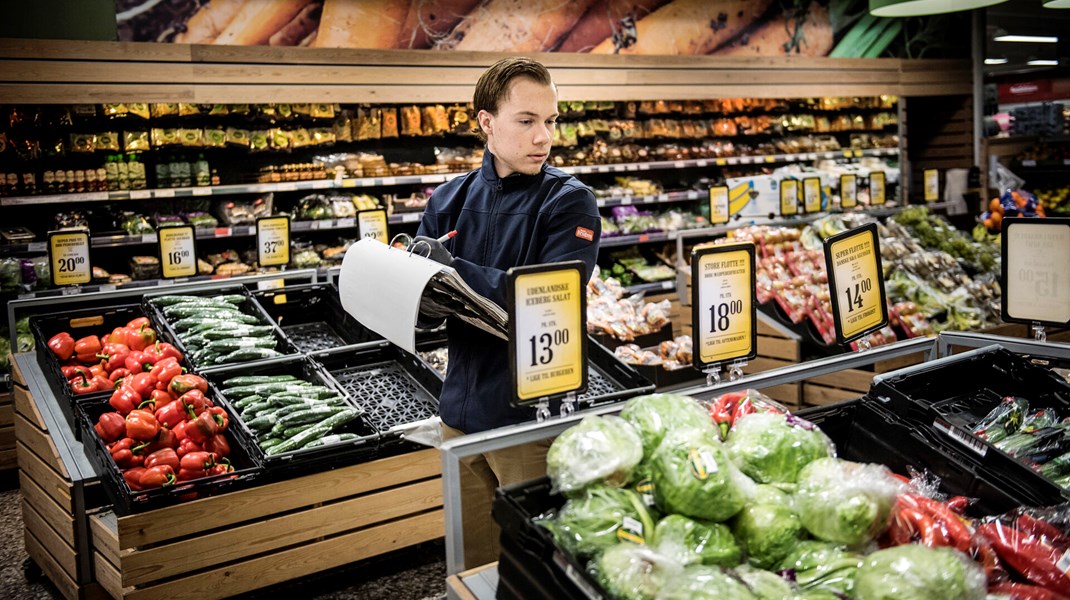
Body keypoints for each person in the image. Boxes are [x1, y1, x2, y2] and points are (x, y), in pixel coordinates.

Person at [413, 57, 601, 568]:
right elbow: (425, 316)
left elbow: (547, 298)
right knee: (472, 564)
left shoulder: (570, 202)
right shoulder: (447, 201)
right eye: (527, 121)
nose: (544, 137)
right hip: (458, 414)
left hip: (530, 419)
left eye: (551, 121)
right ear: (486, 122)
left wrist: (449, 272)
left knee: (533, 566)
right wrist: (411, 289)